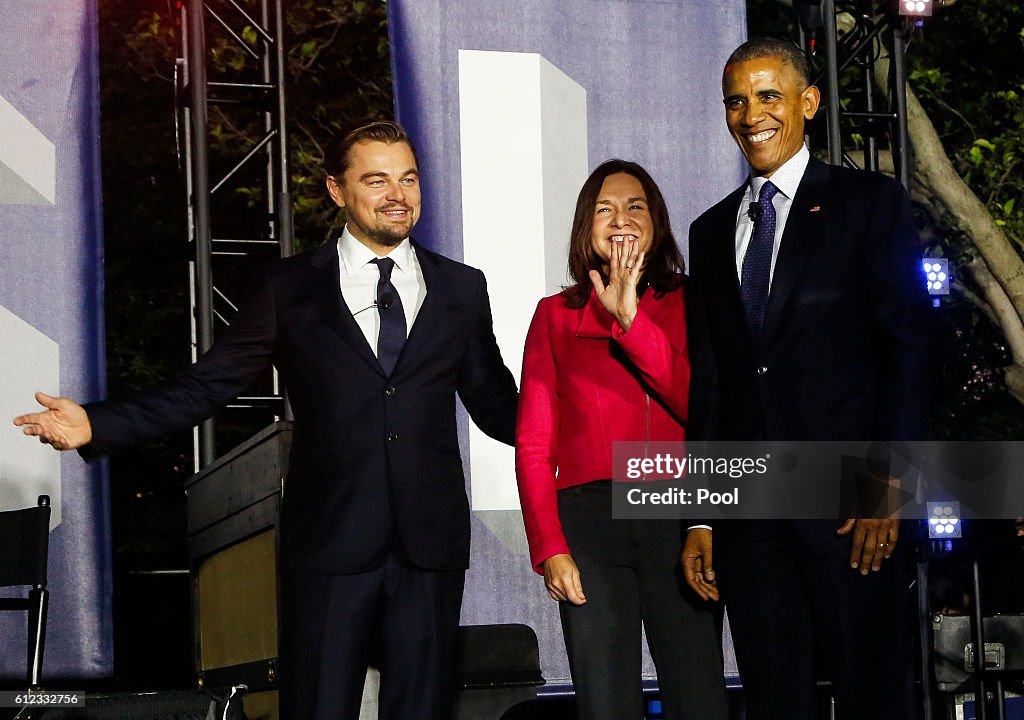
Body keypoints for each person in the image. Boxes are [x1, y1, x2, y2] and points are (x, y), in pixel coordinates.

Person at [13, 120, 519, 720]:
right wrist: (98, 425)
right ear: (337, 190)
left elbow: (496, 405)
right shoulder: (289, 288)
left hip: (429, 543)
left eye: (408, 178)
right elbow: (209, 384)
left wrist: (589, 424)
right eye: (376, 179)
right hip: (330, 539)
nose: (397, 194)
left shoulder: (462, 288)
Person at [681, 38, 930, 719]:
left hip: (853, 507)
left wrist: (888, 485)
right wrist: (702, 513)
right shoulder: (708, 232)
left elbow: (906, 352)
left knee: (871, 692)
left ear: (808, 103)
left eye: (768, 95)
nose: (750, 113)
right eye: (736, 100)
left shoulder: (869, 204)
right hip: (750, 517)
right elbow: (712, 382)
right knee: (771, 698)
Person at [516, 159, 728, 720]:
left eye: (636, 206)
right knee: (604, 703)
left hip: (677, 515)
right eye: (604, 209)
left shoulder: (691, 302)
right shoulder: (554, 316)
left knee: (699, 694)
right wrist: (550, 548)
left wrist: (631, 319)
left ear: (656, 222)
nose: (621, 219)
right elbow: (535, 444)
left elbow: (699, 405)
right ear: (586, 226)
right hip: (587, 526)